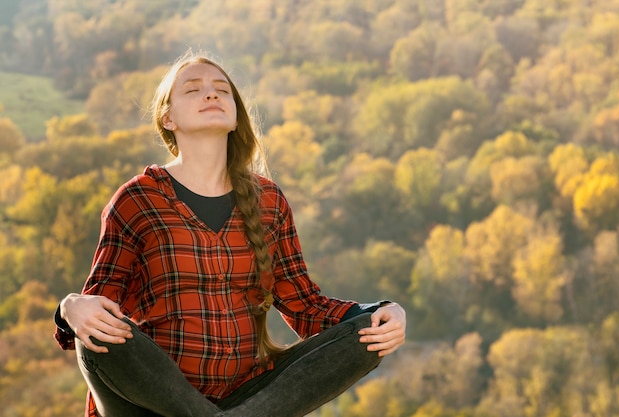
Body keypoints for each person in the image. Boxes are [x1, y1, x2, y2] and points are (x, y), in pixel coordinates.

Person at [54, 50, 406, 417]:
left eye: (221, 89)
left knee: (368, 334)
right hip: (151, 401)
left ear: (236, 117)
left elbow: (307, 307)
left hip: (249, 397)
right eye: (193, 89)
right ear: (167, 117)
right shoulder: (137, 199)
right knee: (98, 335)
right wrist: (69, 308)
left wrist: (382, 311)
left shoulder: (268, 200)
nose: (211, 94)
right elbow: (97, 308)